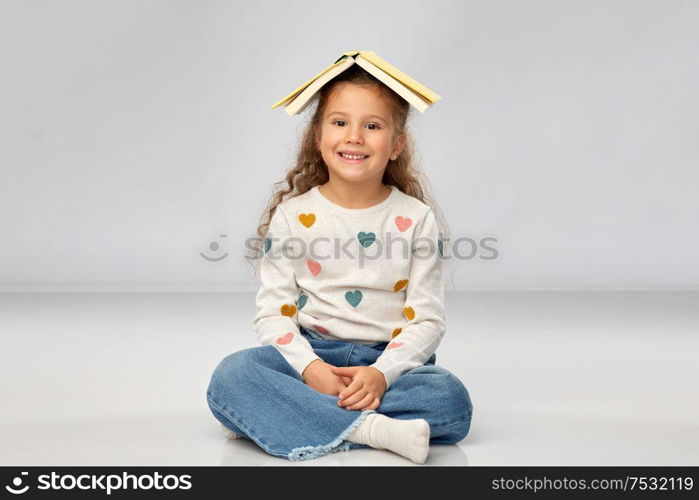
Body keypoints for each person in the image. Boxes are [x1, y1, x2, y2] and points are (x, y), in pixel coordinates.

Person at [206, 63, 473, 464]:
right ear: (318, 137)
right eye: (340, 122)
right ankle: (373, 430)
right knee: (231, 376)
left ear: (396, 144)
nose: (354, 136)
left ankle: (282, 414)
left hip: (386, 363)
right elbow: (273, 315)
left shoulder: (416, 218)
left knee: (451, 400)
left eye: (372, 126)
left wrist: (382, 373)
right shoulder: (293, 216)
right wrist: (311, 369)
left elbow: (427, 321)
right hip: (311, 360)